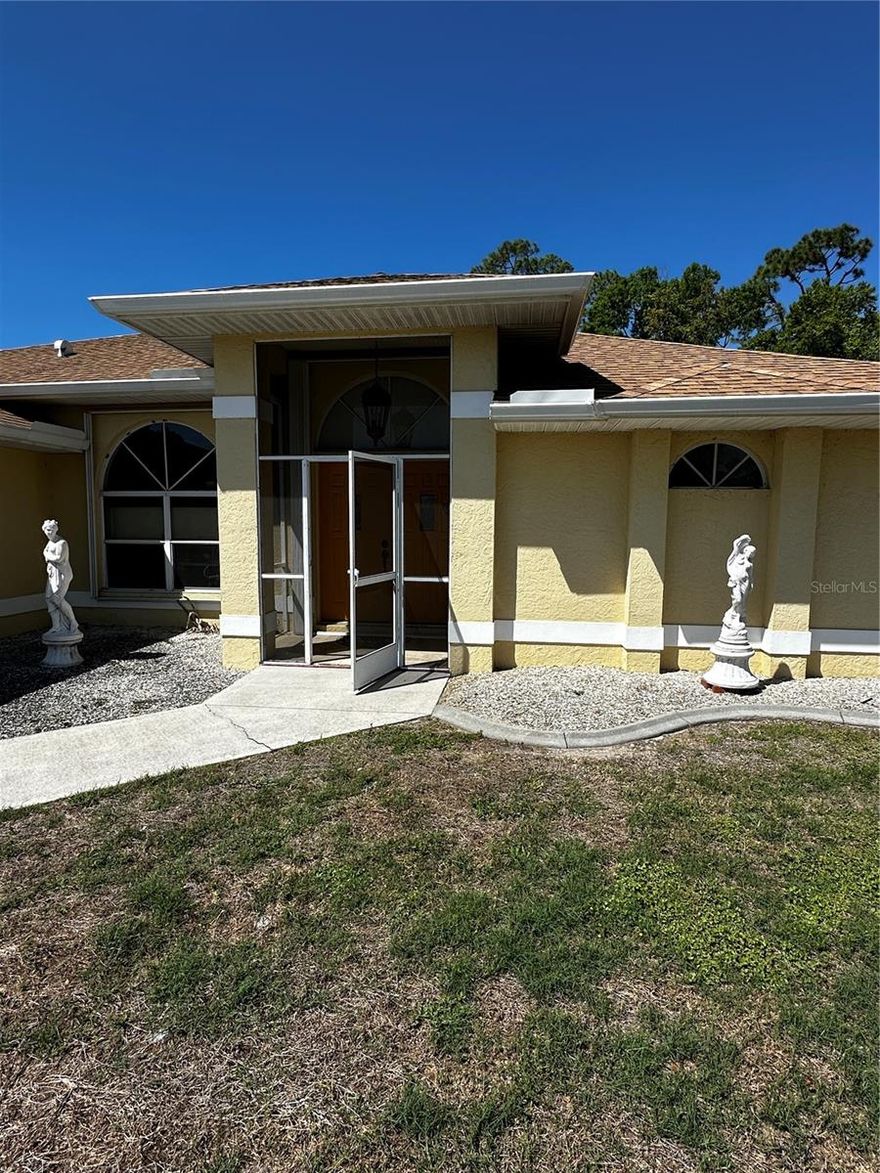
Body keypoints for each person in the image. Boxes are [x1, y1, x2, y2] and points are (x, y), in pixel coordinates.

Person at [42, 519, 79, 634]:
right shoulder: (50, 542)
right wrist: (46, 554)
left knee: (57, 599)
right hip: (52, 574)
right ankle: (56, 626)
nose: (49, 532)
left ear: (56, 530)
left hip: (62, 575)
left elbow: (59, 558)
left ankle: (73, 621)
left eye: (51, 530)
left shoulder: (62, 543)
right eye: (47, 530)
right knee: (49, 599)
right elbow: (47, 554)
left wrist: (46, 554)